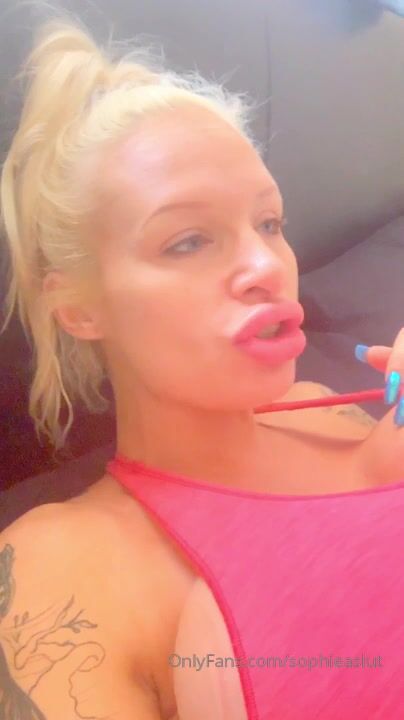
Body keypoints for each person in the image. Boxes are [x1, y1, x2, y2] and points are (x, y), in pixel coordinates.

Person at [0, 18, 403, 720]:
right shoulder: (62, 567)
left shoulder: (333, 407)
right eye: (188, 241)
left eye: (269, 223)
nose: (266, 266)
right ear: (79, 307)